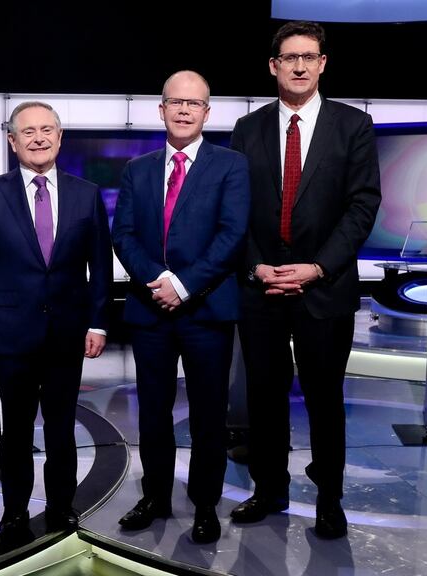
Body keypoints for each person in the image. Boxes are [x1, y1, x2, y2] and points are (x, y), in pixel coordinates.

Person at [228, 21, 381, 539]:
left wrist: (317, 267)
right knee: (265, 399)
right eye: (288, 57)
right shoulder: (246, 130)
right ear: (273, 65)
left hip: (326, 289)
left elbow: (363, 206)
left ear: (322, 63)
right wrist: (256, 267)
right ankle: (269, 490)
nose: (298, 65)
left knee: (324, 399)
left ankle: (329, 499)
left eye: (308, 57)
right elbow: (235, 211)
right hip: (262, 288)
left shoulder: (353, 126)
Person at [112, 71, 250, 544]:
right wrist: (158, 281)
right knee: (152, 412)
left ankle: (206, 504)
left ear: (207, 112)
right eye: (177, 102)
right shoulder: (138, 169)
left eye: (195, 103)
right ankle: (154, 497)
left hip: (206, 311)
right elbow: (123, 234)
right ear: (162, 109)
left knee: (209, 414)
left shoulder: (231, 165)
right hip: (150, 310)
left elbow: (232, 236)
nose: (186, 110)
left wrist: (185, 285)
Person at [0, 101, 112, 544]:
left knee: (62, 430)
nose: (38, 138)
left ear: (60, 137)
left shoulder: (86, 194)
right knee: (16, 433)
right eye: (27, 131)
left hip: (68, 332)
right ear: (12, 141)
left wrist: (99, 322)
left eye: (47, 129)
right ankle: (14, 513)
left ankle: (63, 508)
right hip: (12, 333)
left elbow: (100, 266)